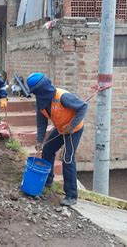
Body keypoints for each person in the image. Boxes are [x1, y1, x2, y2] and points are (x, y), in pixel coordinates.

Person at [26, 72, 87, 206]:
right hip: (60, 128)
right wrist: (40, 140)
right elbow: (41, 121)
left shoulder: (63, 97)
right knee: (47, 150)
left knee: (67, 158)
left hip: (73, 130)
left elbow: (83, 107)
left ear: (42, 89)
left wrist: (72, 126)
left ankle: (71, 195)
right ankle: (47, 181)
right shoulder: (41, 102)